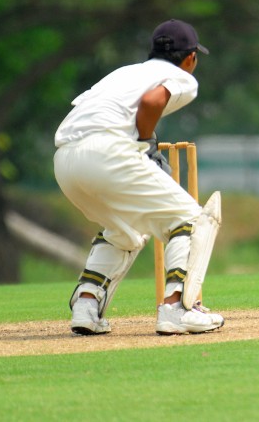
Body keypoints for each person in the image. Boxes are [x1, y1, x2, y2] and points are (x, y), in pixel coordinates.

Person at [54, 19, 225, 335]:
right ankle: (178, 308)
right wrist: (144, 145)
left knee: (126, 229)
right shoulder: (181, 77)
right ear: (191, 58)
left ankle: (87, 305)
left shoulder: (124, 72)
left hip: (66, 159)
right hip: (109, 153)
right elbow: (151, 102)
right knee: (190, 220)